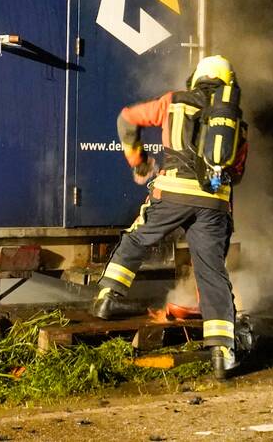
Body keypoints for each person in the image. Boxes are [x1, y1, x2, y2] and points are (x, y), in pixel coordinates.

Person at [91, 55, 247, 379]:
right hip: (214, 204)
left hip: (172, 192)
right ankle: (222, 354)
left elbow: (127, 120)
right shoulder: (235, 125)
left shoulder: (173, 102)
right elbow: (238, 172)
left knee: (137, 238)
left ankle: (107, 298)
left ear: (196, 78)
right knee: (212, 272)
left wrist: (139, 162)